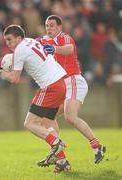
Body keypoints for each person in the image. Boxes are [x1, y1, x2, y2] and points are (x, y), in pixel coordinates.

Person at [0, 24, 74, 173]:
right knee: (46, 122)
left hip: (51, 86)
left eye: (9, 39)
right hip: (62, 81)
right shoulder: (31, 41)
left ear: (19, 38)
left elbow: (14, 79)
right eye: (5, 40)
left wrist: (1, 71)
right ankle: (62, 161)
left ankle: (56, 143)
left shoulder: (19, 49)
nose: (7, 43)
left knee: (29, 123)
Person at [36, 15, 106, 165]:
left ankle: (97, 146)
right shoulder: (44, 40)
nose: (49, 28)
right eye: (47, 25)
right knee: (46, 120)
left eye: (52, 25)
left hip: (73, 80)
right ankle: (59, 156)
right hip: (61, 85)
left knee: (70, 117)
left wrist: (54, 48)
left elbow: (69, 49)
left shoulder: (65, 37)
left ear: (60, 28)